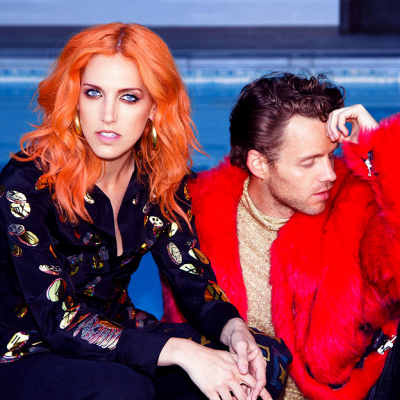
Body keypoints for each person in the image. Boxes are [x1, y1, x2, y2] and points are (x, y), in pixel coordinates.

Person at [0, 24, 292, 400]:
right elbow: (60, 323)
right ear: (75, 98)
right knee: (123, 388)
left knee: (259, 361)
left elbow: (190, 278)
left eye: (129, 97)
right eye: (93, 93)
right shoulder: (27, 183)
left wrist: (233, 328)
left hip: (118, 334)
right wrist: (182, 352)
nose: (107, 115)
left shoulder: (159, 179)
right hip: (27, 351)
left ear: (154, 106)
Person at [162, 72, 400, 399]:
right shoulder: (195, 214)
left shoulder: (355, 204)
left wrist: (381, 157)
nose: (329, 174)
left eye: (331, 156)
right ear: (259, 164)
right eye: (309, 163)